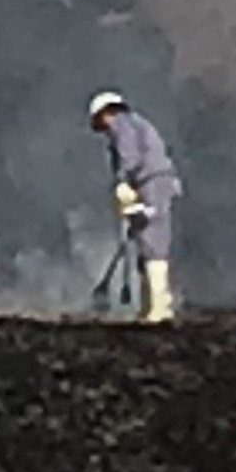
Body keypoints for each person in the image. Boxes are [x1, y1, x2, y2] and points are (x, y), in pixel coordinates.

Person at [88, 90, 181, 323]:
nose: (104, 127)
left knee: (153, 242)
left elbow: (130, 157)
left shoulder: (123, 124)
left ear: (108, 112)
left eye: (101, 120)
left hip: (152, 182)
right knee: (146, 243)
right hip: (150, 183)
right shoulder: (134, 125)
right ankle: (150, 307)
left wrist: (122, 182)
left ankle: (160, 309)